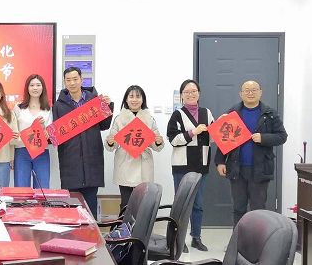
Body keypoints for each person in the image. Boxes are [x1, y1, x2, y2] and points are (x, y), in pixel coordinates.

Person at [215, 80, 287, 226]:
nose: (250, 93)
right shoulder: (232, 113)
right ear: (241, 94)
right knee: (238, 208)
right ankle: (238, 238)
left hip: (260, 169)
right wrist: (220, 161)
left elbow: (282, 136)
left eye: (254, 90)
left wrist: (263, 138)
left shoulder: (270, 113)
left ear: (260, 92)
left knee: (258, 209)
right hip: (237, 168)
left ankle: (258, 238)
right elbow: (224, 139)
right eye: (246, 90)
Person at [53, 67, 113, 220]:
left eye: (75, 79)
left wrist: (108, 106)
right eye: (68, 80)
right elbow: (56, 135)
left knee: (91, 207)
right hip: (70, 162)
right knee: (74, 209)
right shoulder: (59, 105)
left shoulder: (94, 101)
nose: (72, 83)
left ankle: (93, 234)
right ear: (64, 82)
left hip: (92, 160)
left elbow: (104, 126)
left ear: (81, 80)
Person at [166, 79, 214, 252]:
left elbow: (213, 137)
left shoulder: (207, 113)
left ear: (199, 93)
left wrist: (221, 126)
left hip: (201, 164)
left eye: (194, 91)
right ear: (182, 95)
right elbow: (173, 140)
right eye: (186, 92)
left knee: (198, 204)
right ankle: (178, 239)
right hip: (182, 166)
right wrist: (194, 132)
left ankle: (196, 237)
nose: (191, 94)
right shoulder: (177, 115)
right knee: (182, 204)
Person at [106, 85, 164, 213]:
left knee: (143, 203)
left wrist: (158, 141)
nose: (134, 100)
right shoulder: (119, 119)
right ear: (126, 99)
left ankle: (141, 226)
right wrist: (110, 142)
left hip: (143, 164)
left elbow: (155, 145)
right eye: (131, 96)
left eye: (138, 96)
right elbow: (112, 144)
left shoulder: (150, 119)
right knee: (126, 203)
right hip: (125, 164)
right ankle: (124, 225)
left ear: (143, 100)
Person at [13, 74, 53, 188]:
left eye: (38, 85)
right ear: (27, 88)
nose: (35, 88)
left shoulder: (48, 108)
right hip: (22, 151)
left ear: (43, 88)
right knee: (21, 190)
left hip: (41, 151)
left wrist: (44, 128)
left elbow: (50, 132)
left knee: (42, 189)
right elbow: (14, 131)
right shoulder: (19, 107)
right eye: (32, 85)